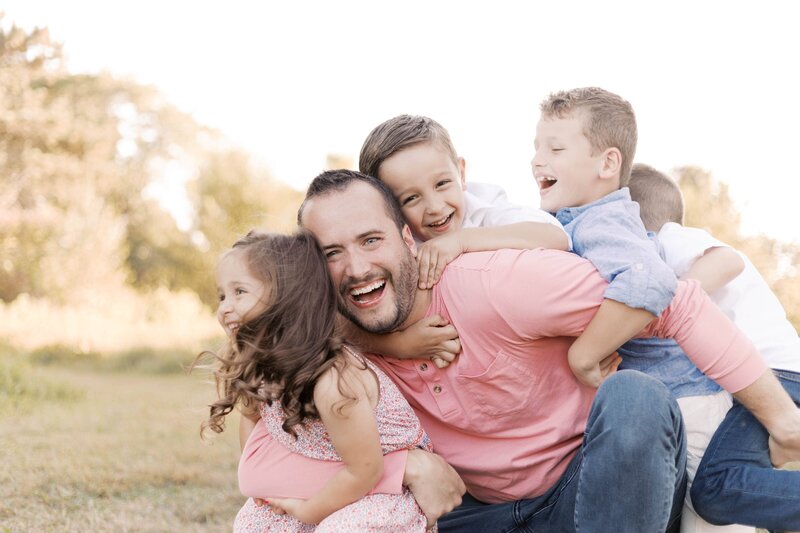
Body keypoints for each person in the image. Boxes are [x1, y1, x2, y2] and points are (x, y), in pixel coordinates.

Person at [239, 169, 800, 532]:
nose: (357, 268)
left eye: (370, 240)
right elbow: (261, 460)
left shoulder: (499, 282)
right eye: (332, 253)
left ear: (409, 239)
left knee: (636, 398)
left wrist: (781, 420)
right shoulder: (330, 339)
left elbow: (676, 303)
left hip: (587, 496)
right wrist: (402, 466)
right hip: (470, 512)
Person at [532, 87, 747, 532]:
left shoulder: (600, 220)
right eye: (536, 148)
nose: (537, 160)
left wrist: (583, 355)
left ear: (608, 164)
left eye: (554, 148)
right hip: (678, 398)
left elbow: (648, 280)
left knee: (711, 518)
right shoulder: (579, 221)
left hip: (687, 401)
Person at [202, 230, 436, 532]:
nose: (224, 308)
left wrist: (309, 512)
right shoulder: (261, 366)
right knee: (253, 523)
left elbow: (366, 470)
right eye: (222, 295)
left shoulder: (334, 379)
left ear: (285, 297)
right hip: (326, 476)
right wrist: (272, 484)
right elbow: (252, 418)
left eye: (239, 293)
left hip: (386, 491)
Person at [629, 162, 800, 532]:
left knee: (717, 487)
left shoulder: (670, 238)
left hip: (773, 373)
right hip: (776, 373)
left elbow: (727, 260)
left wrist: (666, 304)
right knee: (730, 490)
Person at [352, 114, 569, 368]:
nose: (435, 206)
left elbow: (555, 235)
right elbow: (334, 320)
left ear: (461, 173)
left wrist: (463, 240)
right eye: (410, 199)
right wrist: (398, 345)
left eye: (442, 183)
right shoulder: (385, 247)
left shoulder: (484, 210)